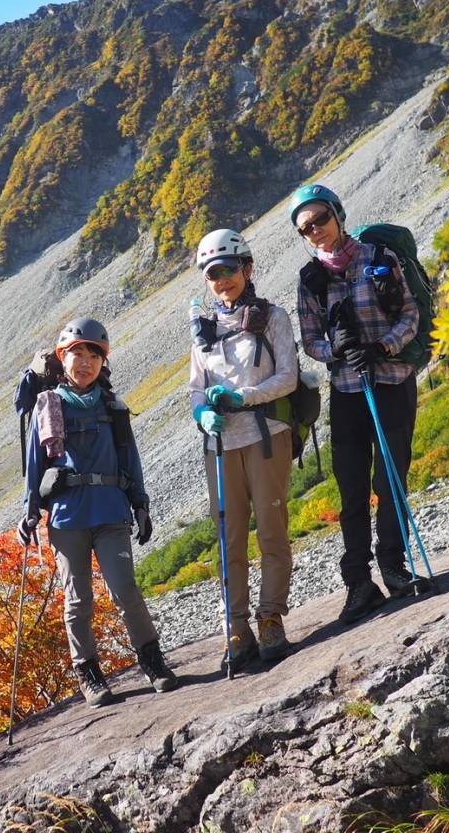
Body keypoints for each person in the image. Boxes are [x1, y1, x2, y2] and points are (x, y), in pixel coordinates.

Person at [17, 317, 178, 707]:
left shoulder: (113, 406)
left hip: (110, 511)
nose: (85, 362)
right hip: (68, 516)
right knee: (78, 599)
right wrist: (30, 512)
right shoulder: (48, 406)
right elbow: (34, 465)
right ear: (62, 358)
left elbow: (131, 460)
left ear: (103, 362)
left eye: (93, 355)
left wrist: (141, 504)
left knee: (126, 590)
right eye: (77, 354)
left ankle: (152, 662)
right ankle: (88, 674)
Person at [288, 184, 420, 624]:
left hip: (392, 381)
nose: (315, 232)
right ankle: (359, 583)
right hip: (346, 391)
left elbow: (410, 314)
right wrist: (337, 350)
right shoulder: (310, 281)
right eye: (306, 228)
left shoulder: (381, 257)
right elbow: (309, 340)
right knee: (351, 490)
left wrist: (382, 347)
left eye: (320, 220)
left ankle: (394, 567)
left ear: (338, 215)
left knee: (390, 481)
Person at [188, 229, 298, 669]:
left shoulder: (274, 318)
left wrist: (243, 397)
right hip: (218, 445)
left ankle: (271, 618)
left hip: (266, 435)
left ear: (247, 269)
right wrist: (202, 414)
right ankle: (236, 627)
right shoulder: (201, 331)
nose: (222, 280)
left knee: (272, 531)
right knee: (228, 539)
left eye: (229, 270)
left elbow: (287, 378)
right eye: (213, 274)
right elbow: (196, 388)